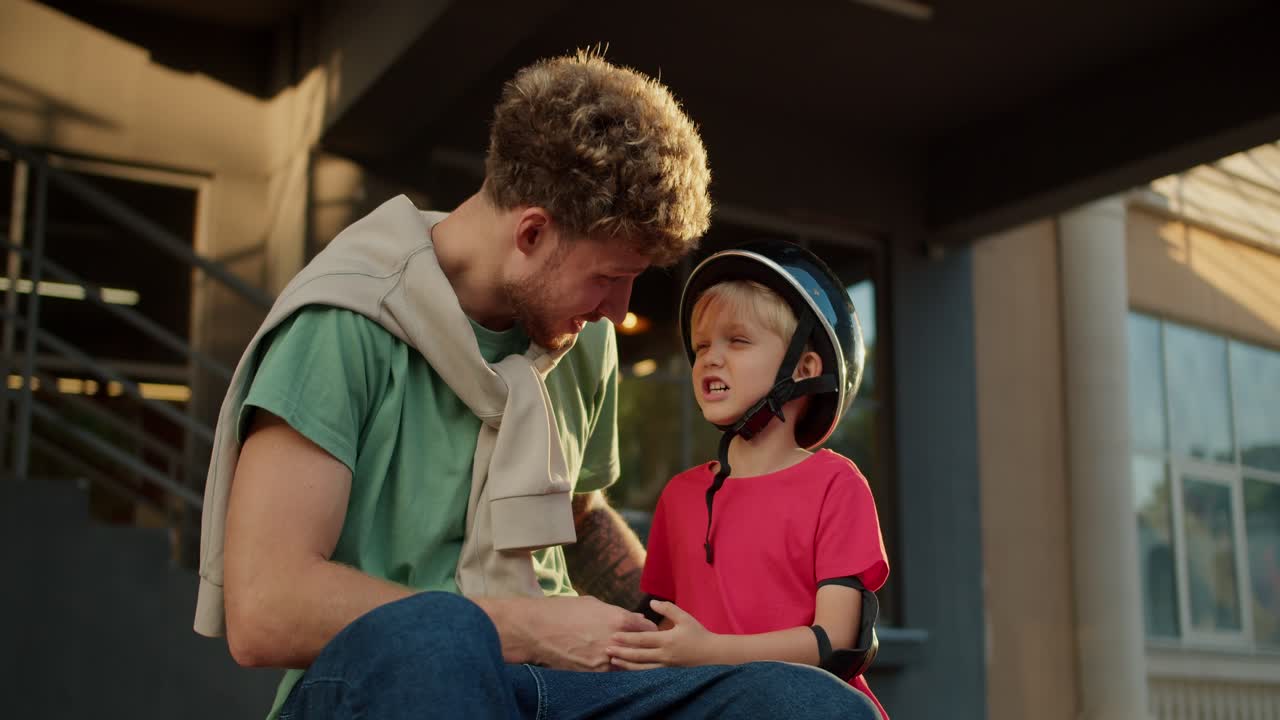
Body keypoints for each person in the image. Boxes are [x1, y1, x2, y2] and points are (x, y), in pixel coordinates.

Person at [193, 50, 876, 719]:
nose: (617, 309)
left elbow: (577, 515)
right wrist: (522, 629)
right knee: (438, 637)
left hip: (556, 687)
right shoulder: (341, 326)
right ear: (531, 233)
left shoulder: (578, 336)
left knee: (808, 702)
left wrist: (681, 635)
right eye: (609, 277)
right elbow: (264, 607)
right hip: (393, 680)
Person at [608, 241, 890, 719]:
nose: (710, 359)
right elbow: (661, 631)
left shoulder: (836, 484)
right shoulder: (679, 497)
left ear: (804, 367)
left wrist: (707, 651)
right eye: (701, 346)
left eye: (737, 341)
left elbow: (836, 640)